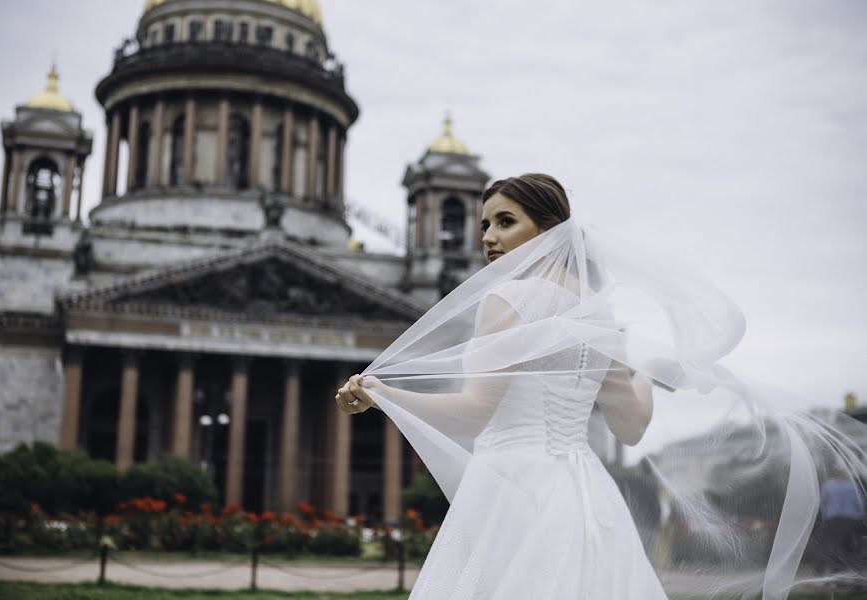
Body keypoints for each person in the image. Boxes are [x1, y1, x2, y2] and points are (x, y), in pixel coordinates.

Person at [334, 173, 867, 599]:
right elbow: (632, 426)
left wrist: (381, 392)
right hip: (583, 495)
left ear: (548, 230)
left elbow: (474, 413)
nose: (489, 238)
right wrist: (650, 373)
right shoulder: (599, 319)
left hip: (512, 488)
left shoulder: (508, 300)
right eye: (484, 225)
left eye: (505, 221)